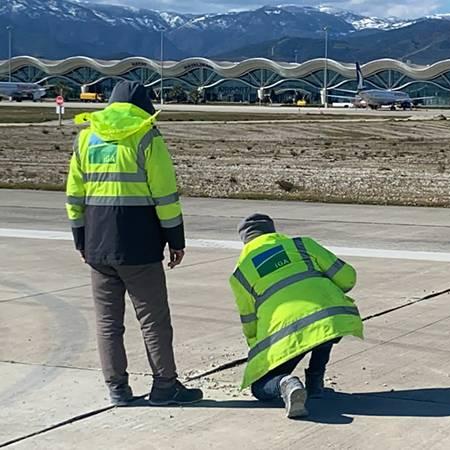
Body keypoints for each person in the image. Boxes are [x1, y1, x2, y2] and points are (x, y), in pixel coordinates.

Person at [65, 81, 203, 406]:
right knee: (153, 319)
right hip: (139, 246)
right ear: (144, 108)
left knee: (107, 322)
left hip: (97, 244)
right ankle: (165, 386)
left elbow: (74, 195)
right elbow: (165, 197)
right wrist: (176, 240)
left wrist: (80, 238)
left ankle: (117, 389)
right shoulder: (147, 137)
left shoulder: (86, 137)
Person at [230, 214, 363, 418]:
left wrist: (258, 351)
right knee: (323, 326)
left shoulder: (240, 273)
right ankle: (315, 383)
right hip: (330, 318)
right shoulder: (302, 244)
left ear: (245, 241)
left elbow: (249, 320)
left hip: (285, 333)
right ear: (272, 232)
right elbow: (347, 278)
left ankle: (286, 383)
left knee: (260, 387)